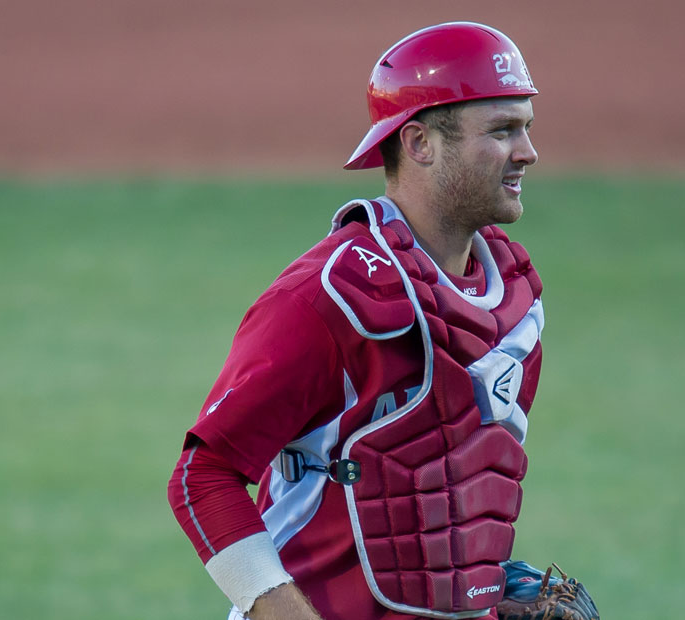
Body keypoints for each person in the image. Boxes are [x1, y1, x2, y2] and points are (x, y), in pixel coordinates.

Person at [168, 21, 545, 620]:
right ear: (420, 143)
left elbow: (449, 486)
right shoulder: (328, 297)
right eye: (501, 130)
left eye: (526, 127)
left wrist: (487, 597)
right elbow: (202, 478)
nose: (527, 151)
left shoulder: (511, 298)